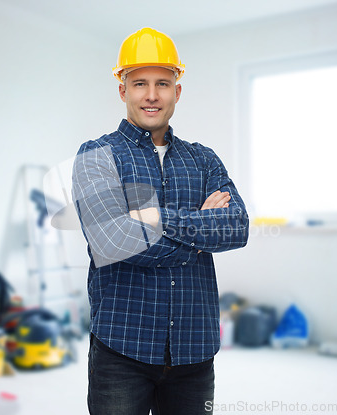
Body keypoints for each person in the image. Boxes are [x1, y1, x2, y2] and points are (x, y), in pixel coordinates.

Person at [72, 27, 249, 415]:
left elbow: (237, 227)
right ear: (123, 90)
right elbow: (115, 241)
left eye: (163, 84)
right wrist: (200, 228)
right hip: (121, 348)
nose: (151, 95)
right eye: (139, 83)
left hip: (194, 350)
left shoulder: (204, 159)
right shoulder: (97, 155)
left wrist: (150, 218)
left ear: (177, 91)